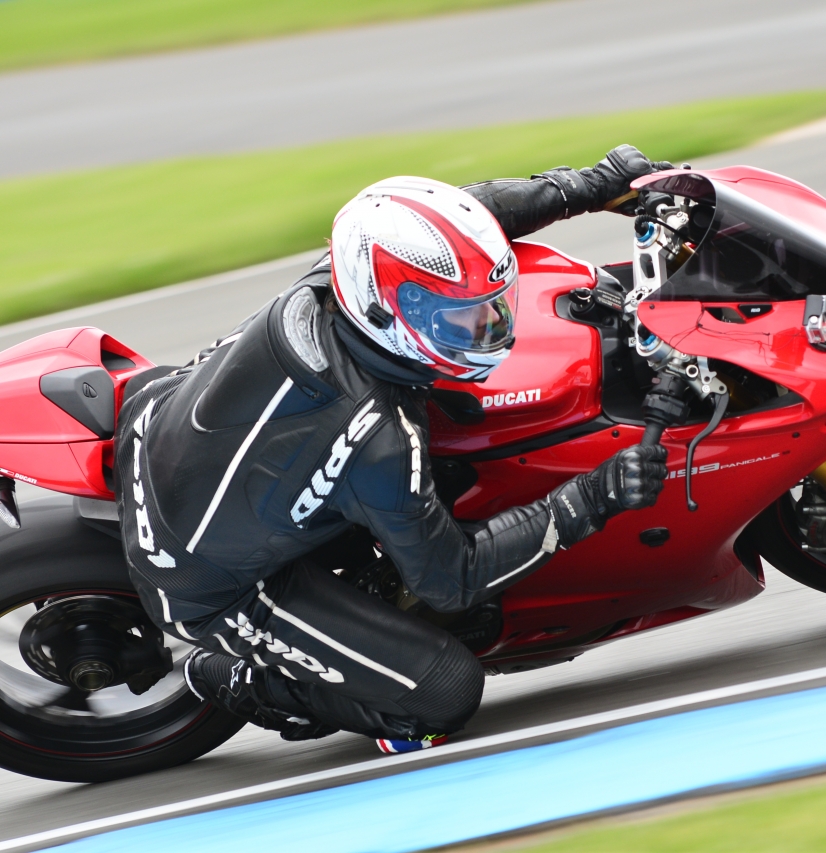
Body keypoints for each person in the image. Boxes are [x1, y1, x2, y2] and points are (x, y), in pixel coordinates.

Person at [114, 146, 671, 753]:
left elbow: (477, 214)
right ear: (386, 309)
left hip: (156, 417)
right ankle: (247, 681)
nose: (486, 331)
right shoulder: (378, 436)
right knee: (444, 694)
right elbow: (451, 580)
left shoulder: (339, 277)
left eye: (489, 310)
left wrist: (595, 183)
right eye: (459, 320)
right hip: (205, 579)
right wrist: (593, 497)